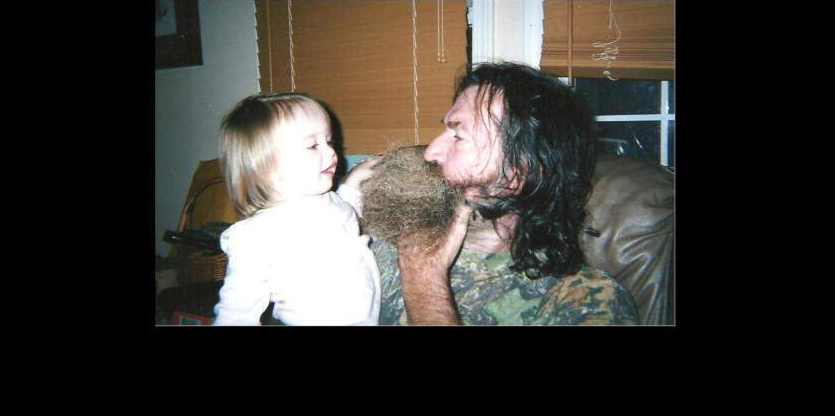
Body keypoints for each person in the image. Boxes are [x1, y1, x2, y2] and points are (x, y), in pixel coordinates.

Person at [368, 63, 639, 325]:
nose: (430, 152)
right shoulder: (390, 234)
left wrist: (424, 279)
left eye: (459, 136)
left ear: (518, 176)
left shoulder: (585, 300)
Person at [212, 92, 381, 325]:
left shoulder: (328, 200)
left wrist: (353, 182)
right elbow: (236, 311)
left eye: (329, 141)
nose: (331, 152)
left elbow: (346, 214)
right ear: (266, 165)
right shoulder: (256, 235)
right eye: (313, 145)